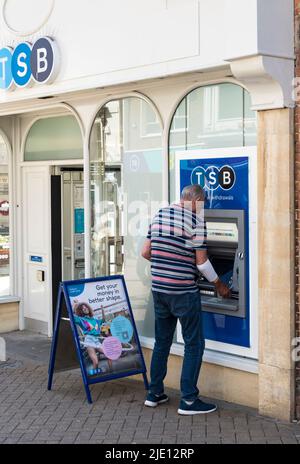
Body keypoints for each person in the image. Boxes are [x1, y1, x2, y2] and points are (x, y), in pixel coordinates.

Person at [141, 184, 231, 415]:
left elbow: (146, 252)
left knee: (162, 342)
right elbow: (202, 263)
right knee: (194, 344)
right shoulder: (196, 222)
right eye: (203, 205)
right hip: (183, 292)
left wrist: (167, 264)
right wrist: (220, 285)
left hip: (159, 290)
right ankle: (189, 400)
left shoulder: (160, 214)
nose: (203, 209)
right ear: (196, 200)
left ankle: (154, 393)